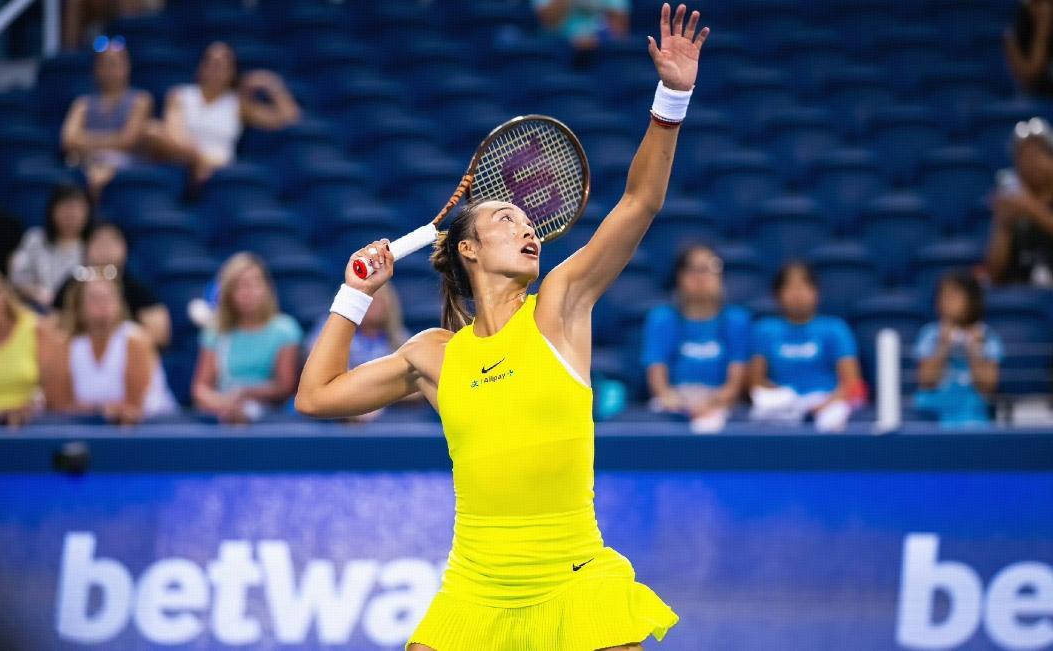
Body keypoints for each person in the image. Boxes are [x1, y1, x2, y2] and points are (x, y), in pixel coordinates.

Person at [297, 5, 708, 649]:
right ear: (467, 248)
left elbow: (639, 202)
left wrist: (671, 100)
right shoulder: (434, 355)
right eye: (506, 219)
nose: (527, 228)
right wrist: (354, 295)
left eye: (529, 220)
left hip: (576, 585)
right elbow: (315, 397)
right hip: (473, 595)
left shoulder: (559, 307)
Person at [142, 42, 300, 183]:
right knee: (152, 130)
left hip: (220, 170)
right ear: (201, 67)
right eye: (212, 63)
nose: (216, 69)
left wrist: (272, 84)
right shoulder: (180, 94)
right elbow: (174, 134)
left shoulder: (238, 103)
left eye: (223, 65)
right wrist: (199, 159)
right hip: (182, 161)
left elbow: (289, 118)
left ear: (232, 72)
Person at [642, 244, 749, 433]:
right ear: (679, 276)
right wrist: (676, 401)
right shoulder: (662, 319)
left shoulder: (736, 319)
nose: (701, 277)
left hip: (719, 402)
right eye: (692, 269)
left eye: (709, 268)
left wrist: (712, 403)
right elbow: (657, 378)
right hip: (675, 401)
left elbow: (734, 384)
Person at [50, 271, 178, 424]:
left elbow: (132, 408)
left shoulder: (136, 340)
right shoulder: (64, 345)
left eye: (108, 297)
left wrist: (95, 410)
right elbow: (59, 406)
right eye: (95, 298)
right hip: (84, 429)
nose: (103, 305)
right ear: (79, 305)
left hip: (152, 427)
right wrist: (101, 410)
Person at [748, 261, 863, 432]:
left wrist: (826, 404)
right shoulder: (765, 330)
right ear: (777, 294)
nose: (798, 294)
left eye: (804, 286)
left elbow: (851, 382)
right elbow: (755, 381)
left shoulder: (835, 329)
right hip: (782, 404)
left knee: (833, 419)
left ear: (816, 292)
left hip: (826, 401)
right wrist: (784, 397)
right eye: (790, 287)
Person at [192, 253, 302, 424]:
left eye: (255, 283)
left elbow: (284, 387)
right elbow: (200, 389)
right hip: (222, 415)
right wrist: (224, 405)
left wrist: (246, 393)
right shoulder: (215, 332)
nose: (248, 292)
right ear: (228, 293)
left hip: (270, 417)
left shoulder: (286, 329)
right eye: (240, 286)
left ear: (267, 287)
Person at [303, 283, 412, 422]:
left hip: (384, 410)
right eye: (367, 299)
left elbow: (415, 387)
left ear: (389, 305)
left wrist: (374, 396)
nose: (372, 305)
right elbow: (319, 369)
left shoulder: (400, 338)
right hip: (335, 405)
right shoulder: (330, 327)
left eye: (377, 300)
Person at [53, 222, 171, 347]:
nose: (104, 248)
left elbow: (159, 333)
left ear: (124, 248)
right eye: (98, 241)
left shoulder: (136, 286)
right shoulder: (73, 283)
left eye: (111, 241)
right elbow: (52, 325)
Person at [60, 38, 153, 196]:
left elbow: (128, 140)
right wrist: (114, 139)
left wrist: (84, 140)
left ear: (127, 66)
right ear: (96, 68)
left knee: (99, 176)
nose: (110, 69)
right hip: (85, 163)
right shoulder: (82, 103)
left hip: (125, 166)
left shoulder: (141, 100)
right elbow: (68, 140)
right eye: (105, 64)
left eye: (114, 63)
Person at [914, 272, 1002, 427]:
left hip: (974, 417)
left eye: (953, 296)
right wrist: (942, 345)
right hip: (932, 416)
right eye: (942, 296)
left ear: (971, 300)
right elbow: (926, 381)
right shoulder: (929, 334)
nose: (946, 302)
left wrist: (974, 350)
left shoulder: (987, 336)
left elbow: (988, 386)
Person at [987, 117, 1053, 287]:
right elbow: (994, 274)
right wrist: (1003, 225)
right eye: (1024, 156)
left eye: (1038, 153)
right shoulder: (1012, 204)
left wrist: (1031, 208)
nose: (1031, 162)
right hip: (1020, 293)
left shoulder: (1023, 204)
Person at [9, 184, 94, 311]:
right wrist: (36, 293)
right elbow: (16, 277)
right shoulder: (35, 239)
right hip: (34, 308)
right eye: (65, 209)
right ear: (52, 211)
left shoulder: (92, 245)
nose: (70, 216)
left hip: (78, 312)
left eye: (77, 210)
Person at [0, 272, 60, 428]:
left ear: (5, 295)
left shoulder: (37, 328)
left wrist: (32, 407)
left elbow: (53, 391)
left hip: (29, 425)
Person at [534, 0, 630, 52]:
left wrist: (598, 38)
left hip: (600, 50)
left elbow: (619, 27)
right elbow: (548, 21)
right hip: (556, 49)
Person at [1006, 0, 1053, 97]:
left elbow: (1032, 74)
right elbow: (1029, 78)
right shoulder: (1018, 34)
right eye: (1035, 4)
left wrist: (1043, 33)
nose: (1043, 9)